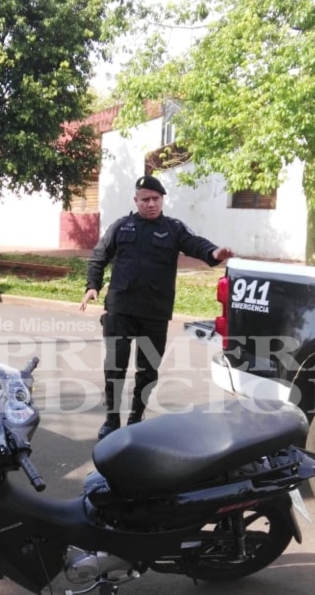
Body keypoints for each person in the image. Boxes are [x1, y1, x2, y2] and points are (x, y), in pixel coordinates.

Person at [80, 174, 234, 439]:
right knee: (115, 365)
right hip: (120, 308)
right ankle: (112, 419)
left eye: (156, 199)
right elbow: (98, 257)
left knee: (148, 369)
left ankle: (136, 416)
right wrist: (92, 286)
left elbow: (195, 243)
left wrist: (214, 253)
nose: (151, 204)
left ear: (162, 199)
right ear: (136, 200)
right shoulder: (121, 227)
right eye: (145, 199)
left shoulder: (173, 229)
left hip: (154, 311)